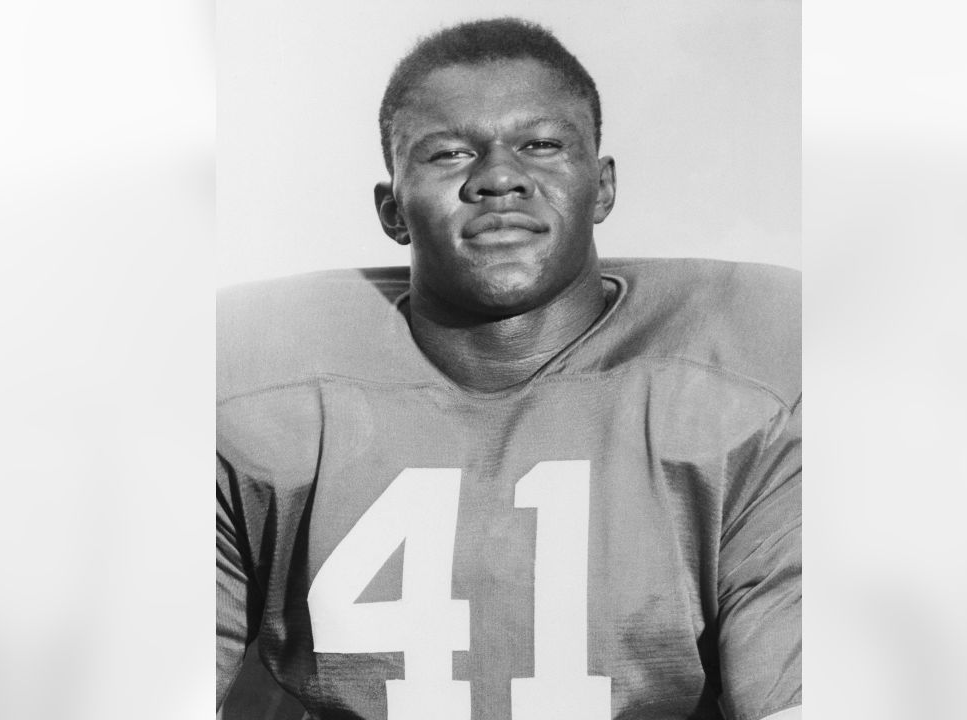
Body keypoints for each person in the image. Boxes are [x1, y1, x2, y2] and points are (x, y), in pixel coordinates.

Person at [217, 17, 800, 720]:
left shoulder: (743, 381)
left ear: (603, 187)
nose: (499, 177)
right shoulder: (256, 385)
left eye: (542, 145)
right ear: (391, 209)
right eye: (447, 154)